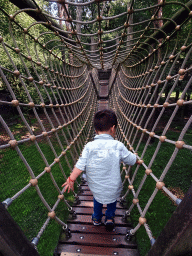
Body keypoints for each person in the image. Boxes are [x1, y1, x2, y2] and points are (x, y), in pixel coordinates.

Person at [62, 109, 137, 231]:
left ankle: (96, 219)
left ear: (96, 131)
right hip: (113, 186)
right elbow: (130, 159)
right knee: (112, 201)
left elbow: (80, 164)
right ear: (113, 129)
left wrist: (71, 178)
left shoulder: (89, 146)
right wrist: (136, 159)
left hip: (96, 186)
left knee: (97, 200)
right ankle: (109, 218)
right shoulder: (118, 145)